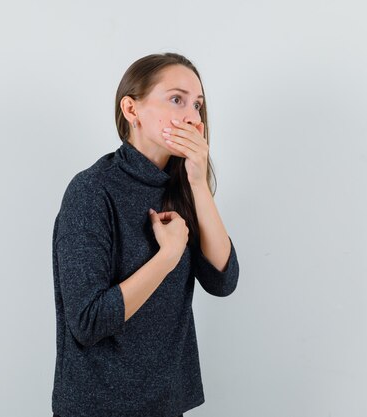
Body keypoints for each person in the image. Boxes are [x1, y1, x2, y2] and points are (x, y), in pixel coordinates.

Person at [51, 52, 240, 417]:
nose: (192, 117)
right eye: (176, 99)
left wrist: (199, 184)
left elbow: (223, 279)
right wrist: (167, 257)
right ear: (131, 109)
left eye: (197, 105)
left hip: (167, 405)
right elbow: (88, 321)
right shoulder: (92, 191)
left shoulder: (182, 187)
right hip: (98, 407)